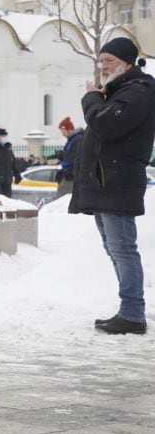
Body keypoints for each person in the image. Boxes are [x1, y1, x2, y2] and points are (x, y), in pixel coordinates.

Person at [70, 37, 155, 335]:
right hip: (106, 182)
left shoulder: (139, 91)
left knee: (123, 250)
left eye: (109, 61)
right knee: (114, 248)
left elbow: (105, 124)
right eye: (101, 61)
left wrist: (91, 98)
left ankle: (133, 314)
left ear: (128, 63)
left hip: (117, 183)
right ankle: (128, 310)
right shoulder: (120, 91)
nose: (103, 66)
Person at [53, 116, 84, 199]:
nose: (62, 134)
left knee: (62, 199)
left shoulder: (77, 139)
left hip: (72, 174)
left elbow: (75, 155)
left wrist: (62, 154)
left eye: (63, 131)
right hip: (69, 173)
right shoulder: (73, 139)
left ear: (69, 129)